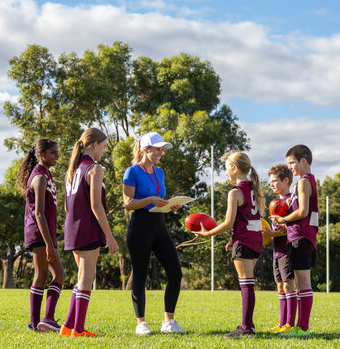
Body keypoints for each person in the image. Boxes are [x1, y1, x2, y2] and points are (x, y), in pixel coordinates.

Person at [196, 151, 266, 337]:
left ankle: (246, 327)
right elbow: (248, 220)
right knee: (249, 283)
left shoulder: (235, 192)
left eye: (227, 169)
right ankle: (248, 325)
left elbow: (228, 223)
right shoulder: (253, 188)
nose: (226, 173)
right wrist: (233, 239)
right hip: (254, 241)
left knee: (246, 284)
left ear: (235, 168)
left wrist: (207, 233)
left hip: (244, 242)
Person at [59, 128, 120, 338]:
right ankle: (78, 329)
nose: (104, 151)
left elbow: (67, 207)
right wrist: (109, 236)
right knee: (86, 279)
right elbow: (96, 206)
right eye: (103, 146)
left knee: (82, 277)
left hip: (72, 228)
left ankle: (68, 326)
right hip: (87, 228)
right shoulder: (95, 168)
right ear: (95, 145)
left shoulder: (72, 170)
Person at [122, 132, 185, 335]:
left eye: (162, 149)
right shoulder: (131, 172)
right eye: (158, 149)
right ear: (145, 150)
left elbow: (159, 198)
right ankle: (141, 323)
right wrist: (150, 199)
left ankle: (169, 322)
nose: (161, 152)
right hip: (140, 227)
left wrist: (170, 205)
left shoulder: (160, 173)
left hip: (160, 226)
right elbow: (128, 204)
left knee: (175, 272)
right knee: (140, 275)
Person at [271, 144, 318, 337]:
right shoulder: (310, 180)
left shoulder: (303, 181)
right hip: (302, 235)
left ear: (303, 161)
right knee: (300, 283)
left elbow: (303, 211)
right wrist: (287, 225)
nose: (290, 167)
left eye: (292, 163)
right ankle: (299, 326)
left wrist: (283, 219)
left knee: (303, 283)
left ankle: (302, 328)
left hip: (301, 236)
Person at [18, 139, 64, 332]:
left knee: (58, 275)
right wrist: (48, 244)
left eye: (57, 152)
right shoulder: (39, 177)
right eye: (53, 153)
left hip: (46, 233)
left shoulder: (46, 175)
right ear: (41, 155)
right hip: (39, 233)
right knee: (42, 274)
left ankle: (46, 320)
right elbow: (38, 213)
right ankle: (35, 322)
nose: (57, 156)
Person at [261, 164, 297, 334]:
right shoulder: (274, 202)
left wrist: (272, 232)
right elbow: (277, 230)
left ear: (286, 180)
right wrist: (268, 234)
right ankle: (281, 323)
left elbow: (288, 229)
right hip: (277, 250)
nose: (272, 184)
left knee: (289, 285)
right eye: (271, 182)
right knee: (280, 285)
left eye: (275, 181)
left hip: (288, 249)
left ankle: (290, 324)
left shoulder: (290, 200)